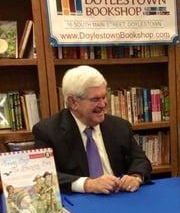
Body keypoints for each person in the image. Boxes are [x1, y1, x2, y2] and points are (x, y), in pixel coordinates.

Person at [33, 65, 152, 194]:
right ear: (73, 103)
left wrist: (135, 177)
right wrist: (87, 184)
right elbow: (43, 175)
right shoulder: (47, 131)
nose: (103, 104)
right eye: (95, 99)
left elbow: (141, 160)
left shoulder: (120, 126)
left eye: (104, 97)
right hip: (80, 204)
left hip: (120, 199)